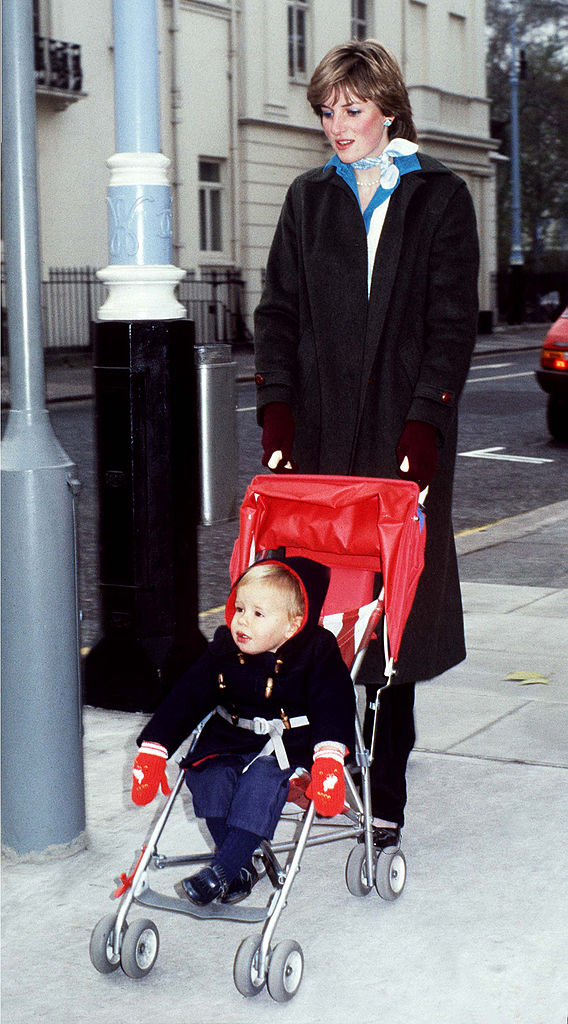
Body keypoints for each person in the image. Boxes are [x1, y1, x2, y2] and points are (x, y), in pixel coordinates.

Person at [253, 39, 480, 846]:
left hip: (401, 439)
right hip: (319, 445)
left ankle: (386, 792)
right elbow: (277, 313)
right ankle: (321, 762)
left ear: (387, 107)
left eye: (351, 109)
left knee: (393, 621)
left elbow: (451, 322)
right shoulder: (308, 198)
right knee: (318, 607)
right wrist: (277, 409)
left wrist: (427, 418)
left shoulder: (439, 195)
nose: (337, 125)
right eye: (326, 111)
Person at [131, 554, 356, 905]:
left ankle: (221, 873)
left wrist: (329, 756)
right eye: (240, 609)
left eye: (258, 614)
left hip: (286, 745)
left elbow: (334, 701)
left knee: (259, 786)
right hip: (229, 736)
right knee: (208, 779)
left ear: (291, 625)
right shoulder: (224, 647)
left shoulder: (316, 650)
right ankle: (239, 868)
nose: (242, 621)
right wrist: (155, 747)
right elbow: (188, 695)